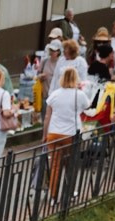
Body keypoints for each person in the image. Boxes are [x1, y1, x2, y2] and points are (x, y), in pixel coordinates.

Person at [43, 65, 86, 196]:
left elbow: (47, 117)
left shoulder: (54, 94)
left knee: (55, 166)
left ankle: (53, 195)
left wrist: (45, 134)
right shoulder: (79, 95)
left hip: (54, 133)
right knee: (70, 165)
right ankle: (69, 192)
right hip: (71, 134)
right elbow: (87, 106)